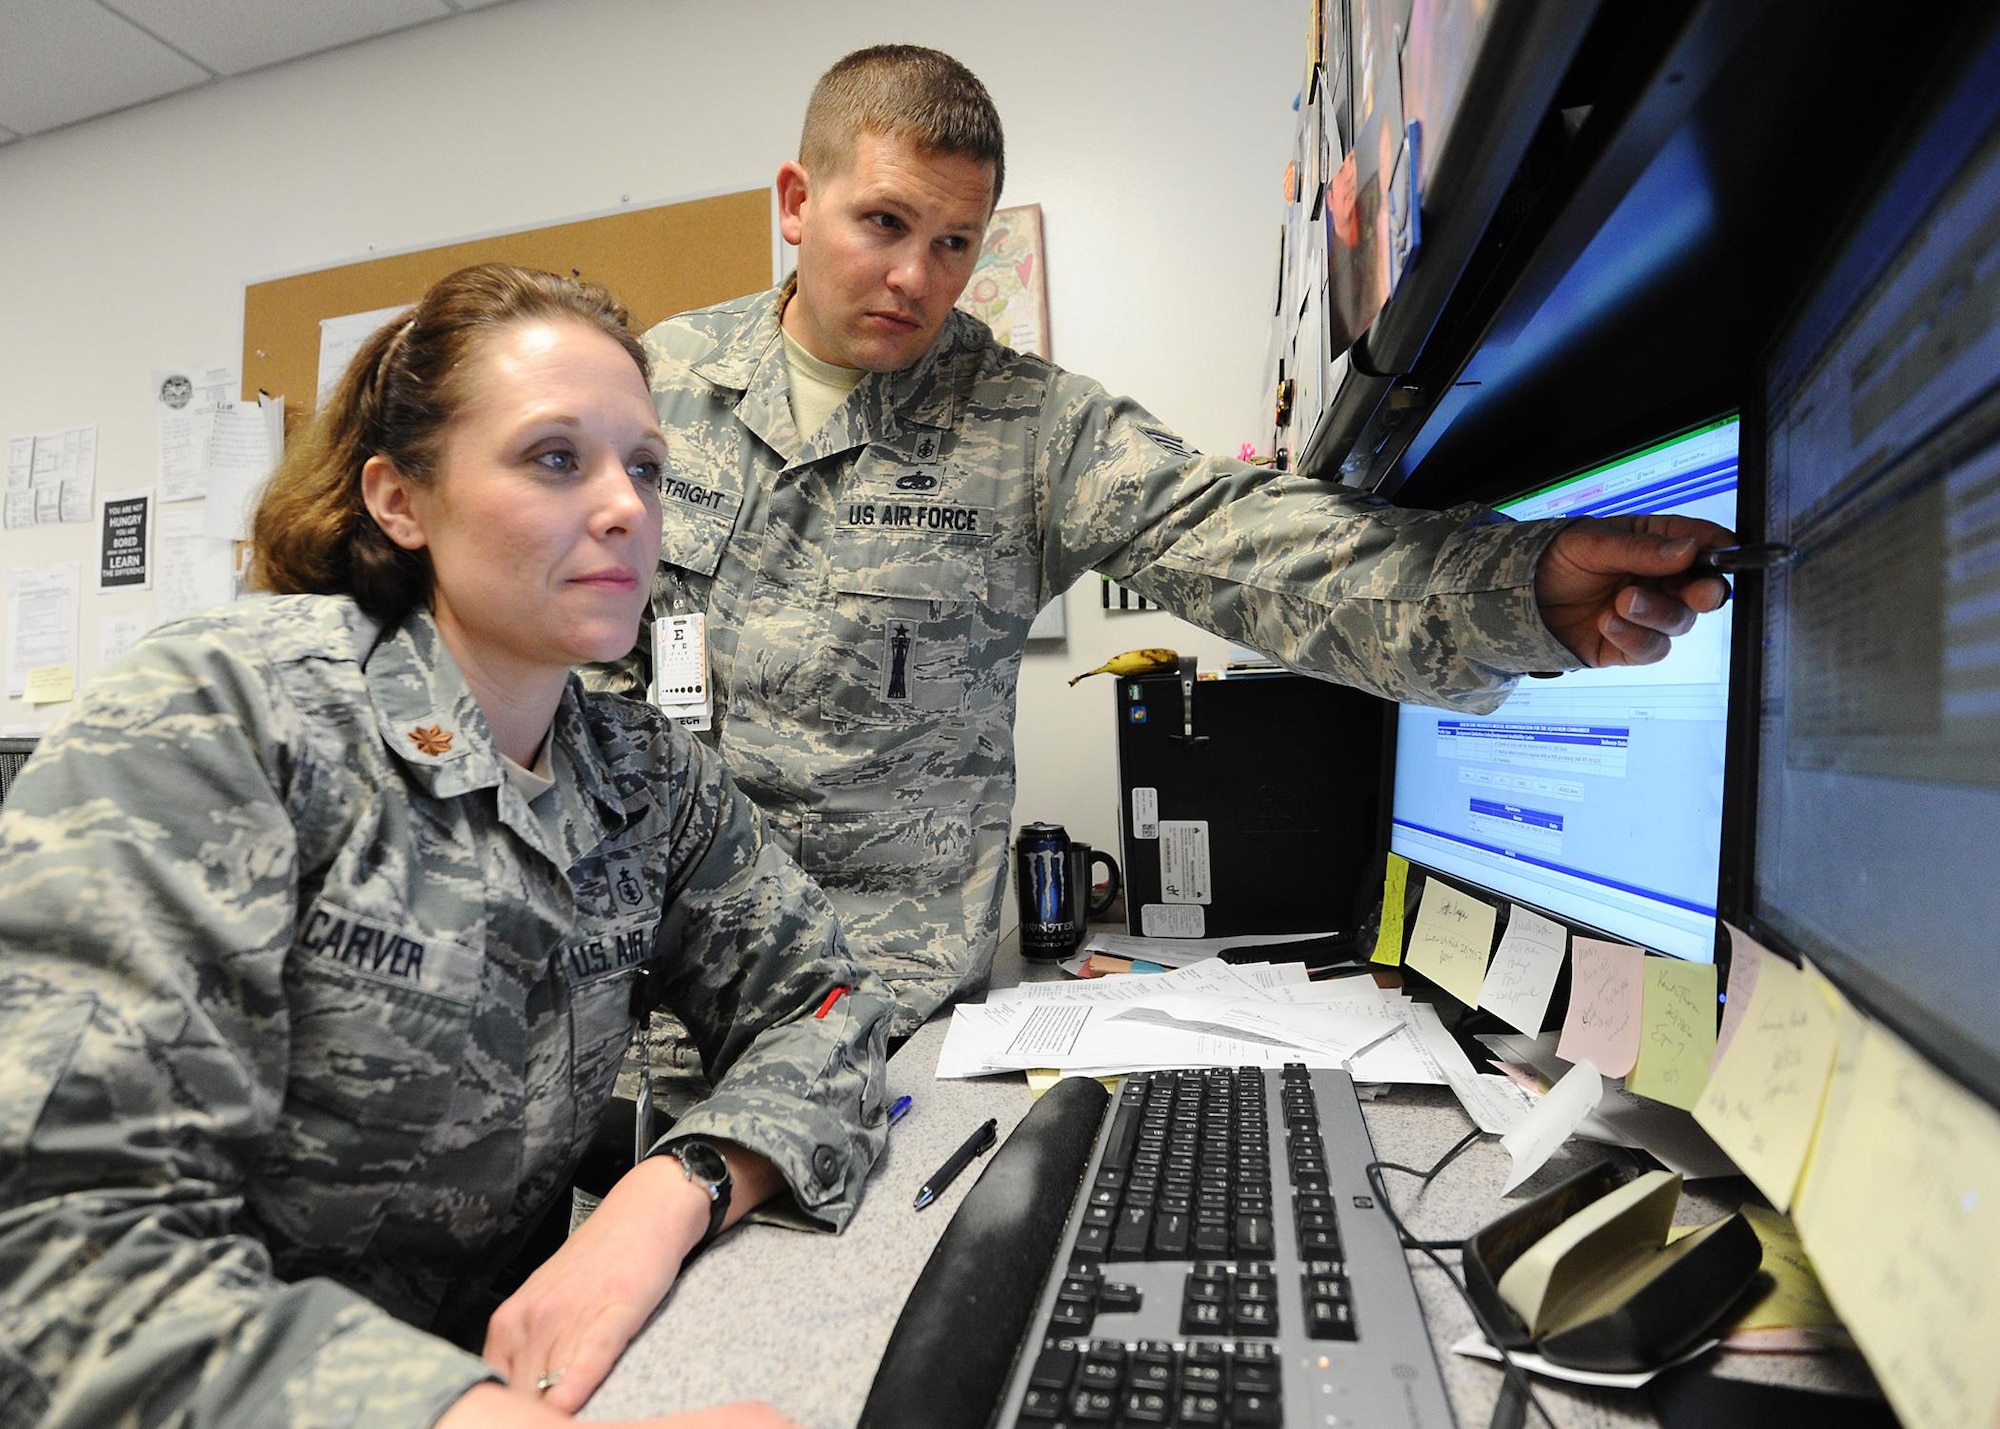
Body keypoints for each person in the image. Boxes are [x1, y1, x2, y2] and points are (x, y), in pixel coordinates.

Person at [591, 44, 1734, 1044]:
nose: (916, 278)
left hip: (871, 1017)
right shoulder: (653, 388)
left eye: (953, 242)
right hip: (633, 1006)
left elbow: (1249, 543)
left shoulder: (1027, 426)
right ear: (797, 200)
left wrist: (1521, 591)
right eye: (882, 224)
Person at [0, 263, 890, 1428]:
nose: (626, 505)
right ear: (398, 500)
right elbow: (57, 1245)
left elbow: (823, 1003)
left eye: (648, 467)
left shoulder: (644, 773)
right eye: (556, 458)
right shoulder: (226, 714)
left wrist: (671, 1191)